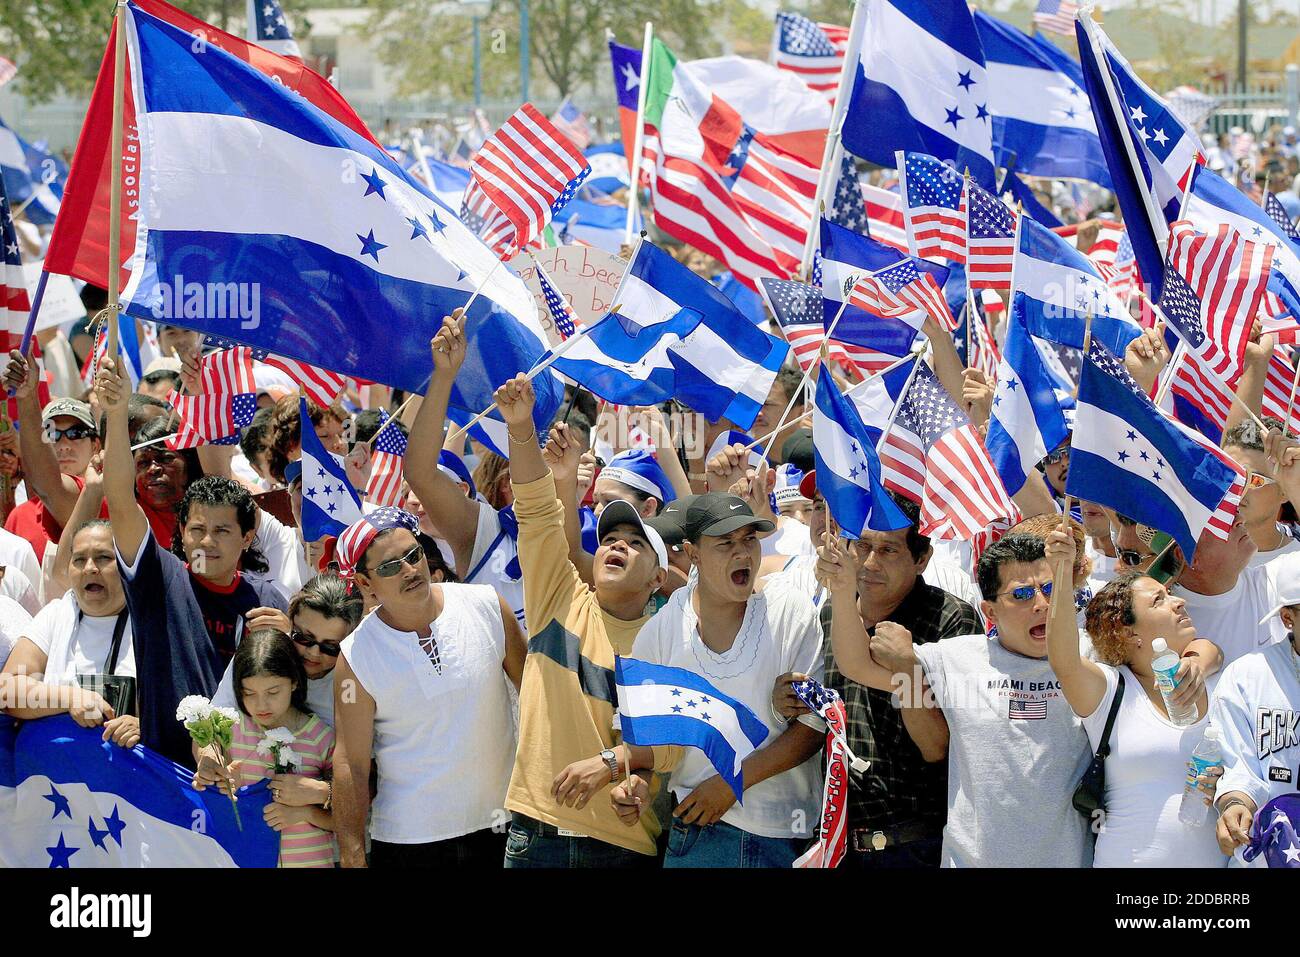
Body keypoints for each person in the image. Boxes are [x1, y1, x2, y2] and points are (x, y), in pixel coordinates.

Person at [491, 364, 677, 868]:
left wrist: (633, 780)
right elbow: (534, 506)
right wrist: (521, 428)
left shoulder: (670, 640)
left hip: (622, 847)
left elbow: (672, 747)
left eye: (637, 542)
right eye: (611, 538)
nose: (617, 545)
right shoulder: (559, 594)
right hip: (535, 838)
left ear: (660, 578)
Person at [819, 531, 1094, 866]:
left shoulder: (1095, 657)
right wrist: (844, 590)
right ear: (989, 610)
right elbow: (857, 664)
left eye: (1050, 589)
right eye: (1021, 594)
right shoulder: (959, 659)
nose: (1041, 604)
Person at [98, 356, 287, 766]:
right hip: (166, 785)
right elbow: (119, 500)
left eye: (222, 532)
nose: (207, 542)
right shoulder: (157, 578)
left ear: (247, 536)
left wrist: (292, 636)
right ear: (181, 533)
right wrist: (115, 414)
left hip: (245, 781)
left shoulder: (270, 601)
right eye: (197, 530)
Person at [775, 493, 981, 868]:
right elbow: (820, 719)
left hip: (916, 846)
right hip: (837, 842)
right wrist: (785, 701)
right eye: (863, 546)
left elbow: (938, 748)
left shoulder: (950, 620)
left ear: (922, 559)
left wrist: (908, 671)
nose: (869, 563)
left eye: (888, 551)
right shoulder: (829, 616)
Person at [630, 491, 826, 868]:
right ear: (693, 554)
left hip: (782, 835)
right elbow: (644, 740)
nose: (743, 553)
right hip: (696, 836)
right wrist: (631, 780)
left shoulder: (791, 612)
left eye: (749, 539)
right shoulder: (659, 632)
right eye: (725, 543)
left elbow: (813, 726)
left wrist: (728, 785)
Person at [330, 507, 526, 868]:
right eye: (390, 566)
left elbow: (535, 701)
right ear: (364, 583)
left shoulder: (487, 606)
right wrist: (353, 856)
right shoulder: (355, 658)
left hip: (505, 826)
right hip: (411, 842)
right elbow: (351, 764)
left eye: (413, 554)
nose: (409, 570)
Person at [1044, 521, 1228, 867]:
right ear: (1129, 633)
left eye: (1170, 593)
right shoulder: (1111, 690)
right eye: (1160, 600)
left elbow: (1214, 650)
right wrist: (1061, 573)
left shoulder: (1218, 679)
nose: (1178, 601)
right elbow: (1064, 660)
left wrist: (1203, 660)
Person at [193, 629, 336, 868]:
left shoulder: (320, 737)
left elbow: (352, 814)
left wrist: (307, 812)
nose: (261, 705)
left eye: (273, 692)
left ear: (294, 682)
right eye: (249, 693)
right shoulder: (232, 728)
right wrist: (215, 773)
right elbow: (206, 753)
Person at [0, 520, 140, 753]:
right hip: (55, 777)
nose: (90, 568)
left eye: (104, 557)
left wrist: (142, 725)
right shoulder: (55, 615)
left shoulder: (151, 623)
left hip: (121, 782)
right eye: (79, 560)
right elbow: (6, 690)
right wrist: (69, 699)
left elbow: (181, 710)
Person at [213, 573, 362, 728]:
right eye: (304, 637)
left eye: (330, 647)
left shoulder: (355, 679)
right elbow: (213, 723)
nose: (314, 652)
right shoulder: (261, 652)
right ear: (290, 621)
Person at [4, 349, 103, 566]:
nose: (64, 445)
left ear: (96, 445)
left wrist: (27, 398)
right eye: (52, 435)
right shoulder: (20, 516)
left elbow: (50, 486)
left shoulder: (101, 498)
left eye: (76, 433)